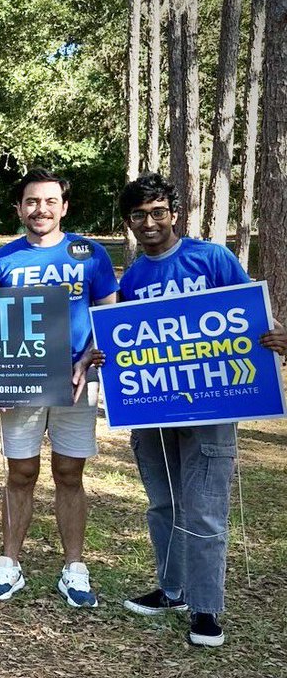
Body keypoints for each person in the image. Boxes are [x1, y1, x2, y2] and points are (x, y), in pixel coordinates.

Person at [96, 173, 287, 646]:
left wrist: (279, 335)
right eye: (138, 216)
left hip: (211, 410)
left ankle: (206, 609)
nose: (149, 222)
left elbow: (252, 313)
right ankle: (171, 588)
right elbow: (127, 341)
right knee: (164, 503)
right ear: (129, 223)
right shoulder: (135, 276)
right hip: (154, 410)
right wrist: (106, 355)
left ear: (174, 213)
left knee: (204, 510)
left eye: (158, 211)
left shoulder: (212, 258)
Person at [0, 169, 118, 606]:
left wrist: (87, 357)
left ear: (64, 207)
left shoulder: (89, 255)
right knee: (20, 473)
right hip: (21, 384)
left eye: (50, 201)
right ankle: (9, 564)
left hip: (76, 382)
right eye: (32, 202)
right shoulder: (2, 260)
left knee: (69, 473)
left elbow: (107, 314)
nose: (41, 209)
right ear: (19, 208)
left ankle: (74, 568)